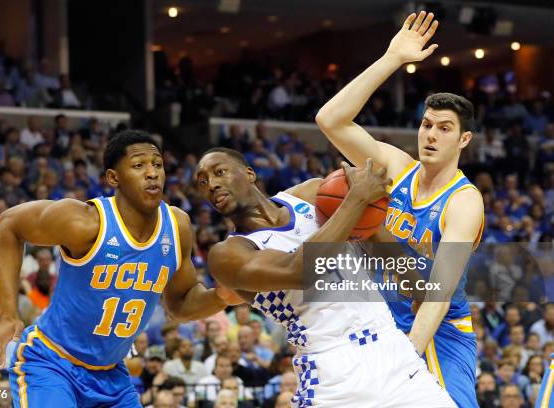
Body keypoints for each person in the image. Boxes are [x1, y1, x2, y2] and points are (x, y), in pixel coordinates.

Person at [0, 130, 242, 407]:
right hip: (51, 363)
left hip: (111, 376)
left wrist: (220, 297)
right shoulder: (84, 222)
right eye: (139, 165)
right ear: (113, 178)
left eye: (157, 164)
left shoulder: (177, 227)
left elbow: (180, 304)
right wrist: (7, 314)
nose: (152, 173)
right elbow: (9, 225)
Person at [195, 148, 455, 406]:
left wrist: (417, 288)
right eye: (203, 183)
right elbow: (300, 272)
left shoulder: (311, 194)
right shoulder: (227, 254)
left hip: (393, 352)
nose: (212, 185)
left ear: (249, 173)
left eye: (220, 172)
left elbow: (377, 238)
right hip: (332, 374)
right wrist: (357, 199)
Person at [315, 11, 483, 407]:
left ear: (464, 140)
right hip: (379, 319)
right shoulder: (395, 166)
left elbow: (438, 294)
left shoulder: (464, 202)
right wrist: (392, 58)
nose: (431, 135)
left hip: (437, 329)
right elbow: (330, 119)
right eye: (427, 125)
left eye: (444, 129)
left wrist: (406, 357)